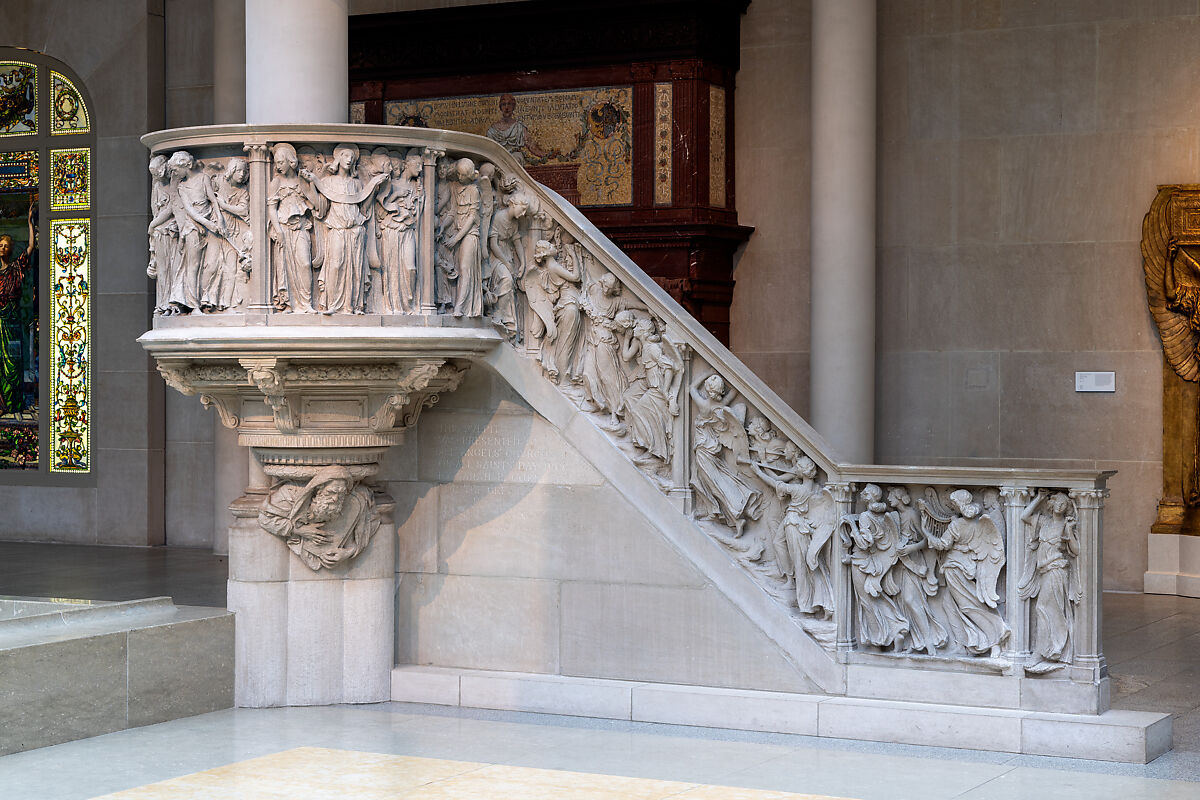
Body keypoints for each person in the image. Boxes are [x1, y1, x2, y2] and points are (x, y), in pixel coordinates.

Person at [306, 143, 388, 313]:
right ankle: (332, 304)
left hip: (355, 231)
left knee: (355, 269)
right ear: (338, 158)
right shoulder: (328, 182)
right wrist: (313, 183)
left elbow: (364, 209)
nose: (349, 159)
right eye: (345, 156)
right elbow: (321, 207)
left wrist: (373, 187)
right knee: (336, 265)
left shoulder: (356, 184)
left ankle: (354, 305)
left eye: (352, 157)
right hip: (337, 229)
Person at [257, 466, 380, 571]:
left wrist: (348, 551)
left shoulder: (358, 500)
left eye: (341, 493)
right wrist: (298, 530)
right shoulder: (291, 494)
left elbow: (370, 523)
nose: (335, 499)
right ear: (318, 489)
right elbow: (265, 518)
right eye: (331, 492)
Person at [1019, 491, 1080, 670]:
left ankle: (1047, 651)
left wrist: (1070, 531)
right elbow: (1024, 516)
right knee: (1046, 609)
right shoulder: (1043, 521)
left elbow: (1076, 550)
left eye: (1063, 503)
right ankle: (1051, 649)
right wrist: (1039, 498)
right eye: (1057, 502)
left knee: (1046, 609)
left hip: (1056, 571)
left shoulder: (1066, 525)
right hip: (1044, 571)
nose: (1059, 506)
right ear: (1051, 504)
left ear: (1067, 507)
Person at [0, 203, 34, 415]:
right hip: (0, 322)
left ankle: (12, 402)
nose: (2, 248)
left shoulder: (15, 268)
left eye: (5, 245)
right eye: (0, 245)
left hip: (12, 322)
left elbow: (30, 247)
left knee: (12, 361)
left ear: (11, 249)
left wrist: (29, 223)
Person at [486, 93, 552, 164]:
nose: (506, 107)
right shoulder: (493, 130)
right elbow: (487, 147)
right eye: (504, 104)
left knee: (515, 160)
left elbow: (531, 145)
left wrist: (546, 155)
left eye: (509, 104)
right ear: (500, 107)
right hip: (499, 156)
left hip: (515, 155)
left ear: (513, 107)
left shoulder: (519, 127)